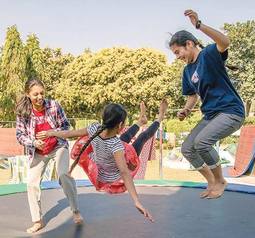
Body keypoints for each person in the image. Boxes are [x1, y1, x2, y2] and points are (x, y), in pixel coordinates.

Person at [37, 100, 168, 222]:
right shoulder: (116, 145)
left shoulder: (95, 128)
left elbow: (68, 134)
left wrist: (51, 133)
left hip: (101, 165)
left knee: (125, 137)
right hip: (111, 175)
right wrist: (136, 200)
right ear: (121, 125)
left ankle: (140, 121)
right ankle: (159, 117)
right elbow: (124, 172)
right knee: (142, 138)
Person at [168, 10, 245, 199]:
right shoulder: (187, 71)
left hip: (230, 111)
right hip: (211, 115)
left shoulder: (209, 54)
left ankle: (220, 180)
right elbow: (192, 96)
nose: (177, 56)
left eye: (178, 52)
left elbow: (225, 42)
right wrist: (186, 109)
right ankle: (211, 181)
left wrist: (199, 25)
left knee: (202, 143)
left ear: (189, 44)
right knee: (187, 148)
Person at [16, 78, 83, 233]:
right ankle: (37, 221)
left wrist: (53, 134)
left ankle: (75, 210)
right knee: (31, 183)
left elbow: (66, 126)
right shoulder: (23, 112)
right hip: (37, 151)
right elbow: (20, 135)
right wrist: (33, 142)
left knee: (63, 175)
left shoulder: (53, 106)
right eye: (35, 94)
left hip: (58, 147)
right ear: (28, 94)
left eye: (42, 93)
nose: (39, 97)